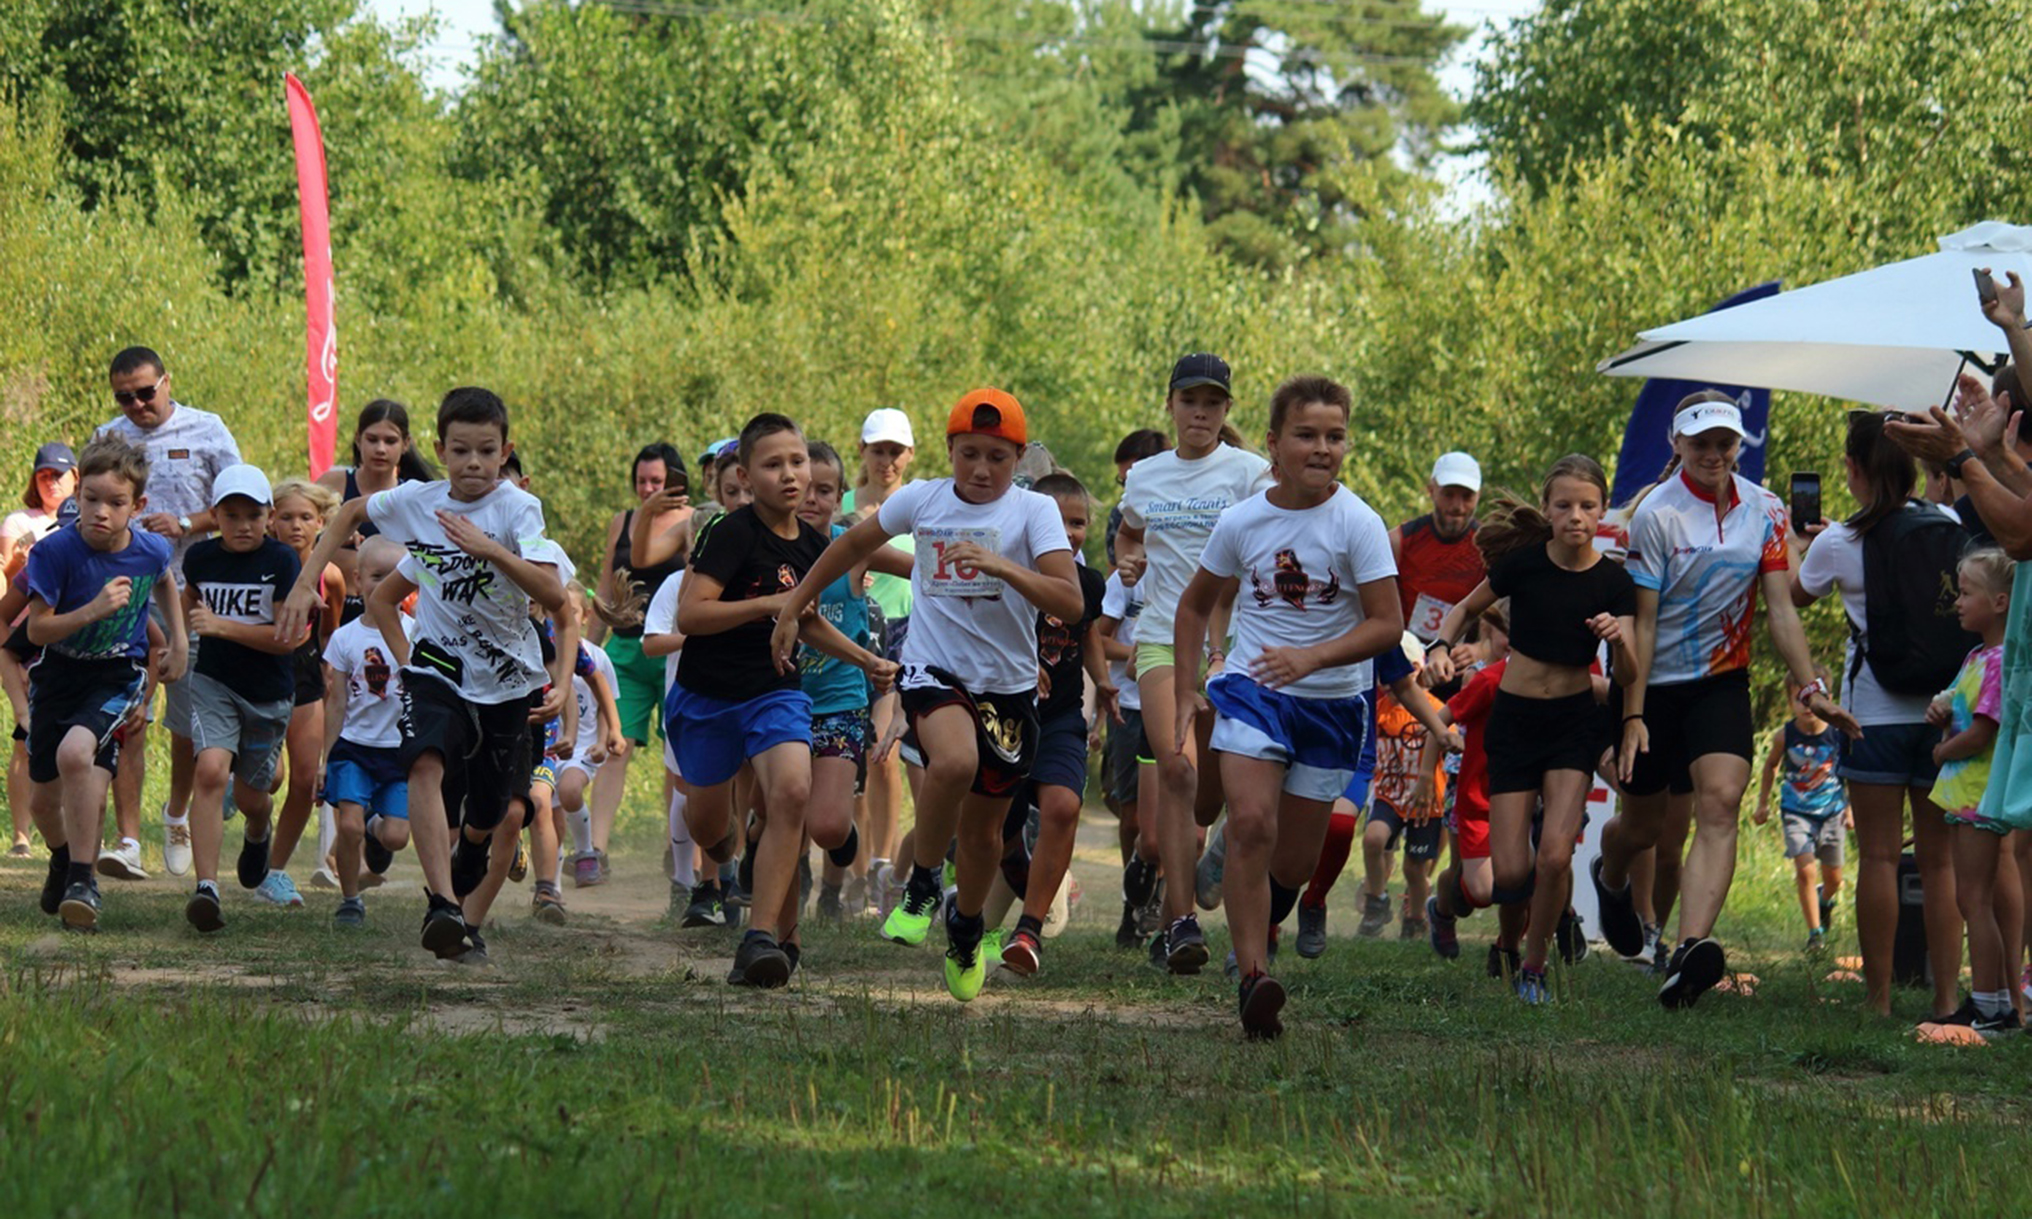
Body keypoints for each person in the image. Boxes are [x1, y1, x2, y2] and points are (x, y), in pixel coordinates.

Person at [774, 388, 1080, 1002]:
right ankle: (920, 881)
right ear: (948, 450)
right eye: (969, 453)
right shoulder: (925, 499)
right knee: (955, 761)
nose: (982, 469)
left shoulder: (1033, 513)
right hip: (932, 670)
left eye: (997, 456)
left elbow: (1069, 602)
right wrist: (791, 603)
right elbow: (847, 546)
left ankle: (965, 929)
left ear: (1017, 458)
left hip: (1010, 690)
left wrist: (1004, 568)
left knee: (986, 835)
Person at [277, 386, 569, 960]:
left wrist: (492, 551)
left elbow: (553, 594)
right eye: (461, 451)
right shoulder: (419, 501)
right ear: (440, 449)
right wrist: (306, 578)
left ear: (504, 451)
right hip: (437, 666)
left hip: (509, 679)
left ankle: (474, 849)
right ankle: (443, 905)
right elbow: (351, 514)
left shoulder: (517, 509)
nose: (474, 464)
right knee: (425, 760)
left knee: (489, 811)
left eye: (487, 452)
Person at [1592, 393, 1857, 1011]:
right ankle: (1609, 879)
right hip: (1652, 683)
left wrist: (1811, 687)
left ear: (1739, 446)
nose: (1714, 454)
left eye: (1725, 444)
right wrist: (1632, 714)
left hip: (1720, 681)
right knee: (1643, 826)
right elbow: (1645, 625)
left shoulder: (1763, 509)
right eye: (1702, 443)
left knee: (1720, 803)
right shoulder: (1657, 515)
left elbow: (1781, 609)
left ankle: (1688, 953)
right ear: (1678, 446)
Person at [1171, 374, 1400, 1037]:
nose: (1322, 447)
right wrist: (1191, 684)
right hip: (1254, 688)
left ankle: (1254, 907)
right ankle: (1252, 976)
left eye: (1334, 435)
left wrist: (1315, 658)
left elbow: (1388, 623)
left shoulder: (1358, 522)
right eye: (1306, 434)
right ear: (1274, 444)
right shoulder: (1243, 520)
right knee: (1249, 822)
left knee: (1295, 862)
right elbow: (1194, 603)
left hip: (1333, 705)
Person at [670, 413, 895, 987]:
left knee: (792, 792)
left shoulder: (818, 546)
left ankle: (760, 940)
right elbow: (692, 615)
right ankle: (733, 852)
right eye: (773, 465)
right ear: (746, 475)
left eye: (797, 462)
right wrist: (770, 604)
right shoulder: (730, 532)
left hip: (775, 692)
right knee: (708, 829)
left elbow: (810, 621)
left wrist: (866, 660)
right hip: (707, 698)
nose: (790, 475)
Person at [1425, 455, 1637, 1003]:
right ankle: (1493, 929)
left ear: (1603, 511)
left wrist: (1619, 642)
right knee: (1512, 874)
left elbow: (1631, 674)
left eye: (1587, 506)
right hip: (1515, 724)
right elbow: (1463, 608)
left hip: (1571, 726)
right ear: (1546, 509)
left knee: (1555, 856)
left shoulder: (1615, 583)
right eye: (1563, 505)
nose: (1576, 516)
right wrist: (1442, 646)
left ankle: (1536, 968)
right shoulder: (1524, 564)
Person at [1792, 409, 1970, 1020]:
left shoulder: (1840, 541)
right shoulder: (1947, 521)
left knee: (1880, 857)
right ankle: (1947, 1000)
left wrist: (1799, 545)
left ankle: (1879, 1000)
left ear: (1854, 469)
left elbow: (1791, 594)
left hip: (1868, 716)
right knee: (1941, 862)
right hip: (1941, 717)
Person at [1115, 353, 1272, 973]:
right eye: (1189, 401)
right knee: (1177, 770)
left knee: (1215, 797)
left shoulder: (1251, 473)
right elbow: (1129, 534)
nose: (1200, 412)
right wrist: (1129, 561)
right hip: (1159, 639)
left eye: (1212, 402)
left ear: (1227, 410)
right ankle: (1179, 921)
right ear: (1171, 406)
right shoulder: (1146, 476)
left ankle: (1218, 848)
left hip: (1238, 646)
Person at [21, 434, 185, 929]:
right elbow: (36, 629)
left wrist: (176, 641)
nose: (100, 512)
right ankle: (61, 856)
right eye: (90, 499)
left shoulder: (150, 548)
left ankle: (82, 880)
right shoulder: (53, 553)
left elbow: (165, 581)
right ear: (77, 496)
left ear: (137, 506)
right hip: (59, 673)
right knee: (42, 800)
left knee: (78, 756)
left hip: (117, 672)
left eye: (115, 503)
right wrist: (91, 610)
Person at [96, 346, 241, 883]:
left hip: (190, 594)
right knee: (128, 721)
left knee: (184, 723)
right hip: (124, 597)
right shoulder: (108, 437)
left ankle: (176, 812)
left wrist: (185, 521)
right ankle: (128, 839)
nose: (135, 404)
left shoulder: (207, 429)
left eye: (144, 392)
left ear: (166, 383)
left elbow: (239, 504)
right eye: (124, 397)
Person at [177, 465, 305, 932]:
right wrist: (180, 639)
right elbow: (189, 599)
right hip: (213, 682)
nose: (243, 525)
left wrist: (222, 627)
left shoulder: (282, 561)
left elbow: (287, 640)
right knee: (210, 771)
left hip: (268, 693)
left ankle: (258, 830)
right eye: (231, 515)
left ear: (270, 516)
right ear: (215, 516)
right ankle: (206, 888)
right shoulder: (202, 560)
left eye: (253, 514)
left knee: (255, 793)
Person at [1002, 471, 1116, 975]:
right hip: (1003, 716)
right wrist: (1022, 664)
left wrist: (1103, 680)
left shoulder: (1088, 583)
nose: (1069, 533)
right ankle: (1012, 867)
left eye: (1079, 523)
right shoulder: (1008, 575)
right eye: (1058, 521)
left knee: (1064, 805)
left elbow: (1087, 632)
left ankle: (1029, 931)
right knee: (998, 831)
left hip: (1061, 718)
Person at [589, 443, 692, 887]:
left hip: (676, 647)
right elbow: (606, 585)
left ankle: (677, 848)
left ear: (675, 481)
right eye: (642, 482)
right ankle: (595, 850)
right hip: (628, 648)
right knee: (616, 745)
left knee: (678, 756)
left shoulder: (694, 522)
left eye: (657, 481)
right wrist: (588, 649)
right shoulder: (624, 521)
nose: (648, 489)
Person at [1927, 548, 2019, 1034]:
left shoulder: (2003, 661)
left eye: (1967, 593)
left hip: (1979, 795)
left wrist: (1943, 753)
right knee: (1973, 898)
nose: (1957, 602)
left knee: (1974, 900)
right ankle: (1993, 1001)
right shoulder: (1977, 656)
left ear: (2001, 601)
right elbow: (1959, 706)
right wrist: (1941, 710)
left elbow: (1983, 733)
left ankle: (1990, 1007)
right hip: (1967, 796)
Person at [259, 478, 346, 903]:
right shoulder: (258, 563)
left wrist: (332, 672)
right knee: (268, 776)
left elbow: (331, 633)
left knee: (306, 778)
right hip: (259, 672)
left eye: (305, 518)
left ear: (322, 522)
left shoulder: (330, 575)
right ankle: (249, 814)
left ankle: (273, 872)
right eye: (286, 517)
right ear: (270, 520)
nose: (296, 526)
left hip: (307, 678)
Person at [322, 536, 414, 924]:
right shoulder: (345, 637)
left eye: (396, 577)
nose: (385, 584)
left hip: (400, 751)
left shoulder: (419, 632)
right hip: (353, 747)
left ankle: (377, 827)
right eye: (377, 576)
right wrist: (322, 760)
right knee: (347, 824)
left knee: (396, 837)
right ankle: (350, 899)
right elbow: (336, 701)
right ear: (357, 581)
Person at [846, 408, 919, 891]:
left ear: (910, 455)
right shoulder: (845, 503)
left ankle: (883, 867)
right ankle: (854, 867)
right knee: (853, 752)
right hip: (851, 632)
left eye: (895, 452)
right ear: (863, 452)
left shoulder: (921, 503)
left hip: (905, 631)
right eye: (879, 451)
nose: (886, 461)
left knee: (884, 751)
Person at [1424, 604, 1510, 961]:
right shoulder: (1478, 676)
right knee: (1466, 886)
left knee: (1510, 872)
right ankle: (1442, 910)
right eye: (1507, 631)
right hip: (1467, 782)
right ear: (1489, 631)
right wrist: (1426, 776)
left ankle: (1510, 946)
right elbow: (1441, 721)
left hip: (1509, 789)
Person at [4, 441, 76, 854]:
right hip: (27, 641)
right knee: (25, 741)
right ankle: (21, 834)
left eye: (59, 473)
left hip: (73, 648)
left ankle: (72, 833)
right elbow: (11, 578)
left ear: (76, 478)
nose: (51, 481)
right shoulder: (19, 521)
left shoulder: (95, 529)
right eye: (44, 474)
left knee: (77, 751)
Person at [1752, 667, 1851, 952]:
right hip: (1796, 810)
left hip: (1832, 811)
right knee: (1806, 870)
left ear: (1828, 699)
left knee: (1835, 879)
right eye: (1800, 700)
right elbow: (1771, 765)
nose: (1807, 707)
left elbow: (1849, 771)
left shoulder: (1837, 733)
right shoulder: (1786, 735)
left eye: (1813, 699)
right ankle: (1815, 935)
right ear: (1789, 703)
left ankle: (1825, 901)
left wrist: (1850, 809)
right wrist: (1762, 804)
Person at [314, 399, 435, 604]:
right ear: (358, 439)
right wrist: (330, 538)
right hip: (331, 608)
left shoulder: (416, 498)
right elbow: (298, 540)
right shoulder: (331, 485)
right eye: (372, 439)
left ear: (406, 444)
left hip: (393, 611)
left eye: (390, 441)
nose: (380, 449)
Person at [1393, 452, 1485, 644]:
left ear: (1479, 496)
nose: (1457, 506)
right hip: (1404, 657)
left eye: (1467, 497)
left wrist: (1480, 649)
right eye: (1448, 494)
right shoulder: (1399, 541)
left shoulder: (1489, 549)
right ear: (1431, 490)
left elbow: (1498, 617)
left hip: (1460, 662)